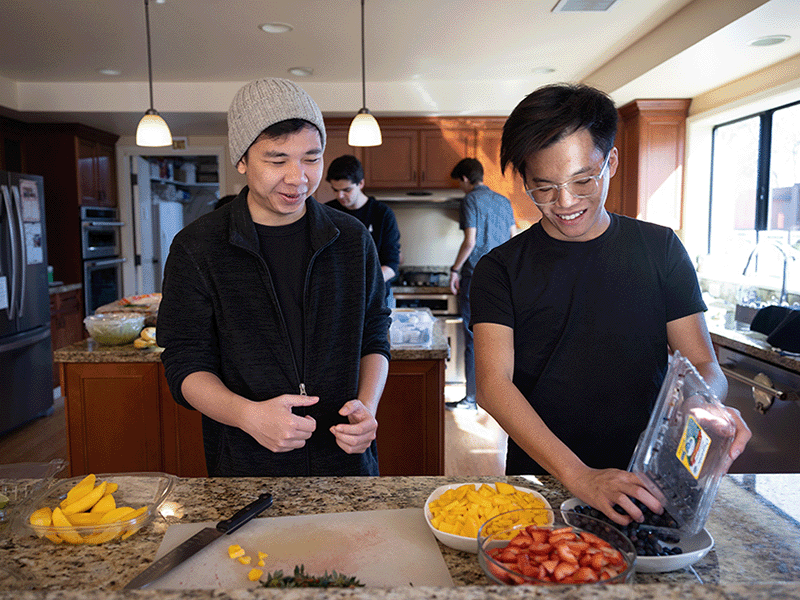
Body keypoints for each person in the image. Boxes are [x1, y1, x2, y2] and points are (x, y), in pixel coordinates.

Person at [470, 83, 751, 525]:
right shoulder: (499, 268)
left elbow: (703, 366)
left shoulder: (660, 250)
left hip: (648, 482)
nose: (565, 202)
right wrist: (579, 475)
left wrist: (707, 405)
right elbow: (492, 385)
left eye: (583, 181)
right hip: (544, 479)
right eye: (543, 187)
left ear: (611, 163)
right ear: (524, 179)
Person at [157, 78, 391, 477]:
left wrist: (367, 408)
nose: (298, 178)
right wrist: (248, 415)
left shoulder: (351, 239)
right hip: (246, 468)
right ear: (243, 160)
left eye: (311, 158)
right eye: (277, 160)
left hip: (346, 463)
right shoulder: (198, 247)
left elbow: (374, 334)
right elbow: (184, 361)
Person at [446, 158, 516, 411]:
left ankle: (472, 398)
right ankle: (499, 399)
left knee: (474, 337)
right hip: (504, 278)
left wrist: (454, 270)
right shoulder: (503, 200)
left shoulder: (471, 200)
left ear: (465, 179)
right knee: (502, 338)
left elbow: (470, 241)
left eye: (460, 183)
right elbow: (512, 238)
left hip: (476, 276)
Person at [325, 155, 401, 300]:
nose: (340, 195)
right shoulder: (327, 213)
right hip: (337, 297)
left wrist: (360, 285)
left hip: (375, 297)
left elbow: (391, 265)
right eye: (335, 190)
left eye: (346, 190)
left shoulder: (382, 214)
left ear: (360, 183)